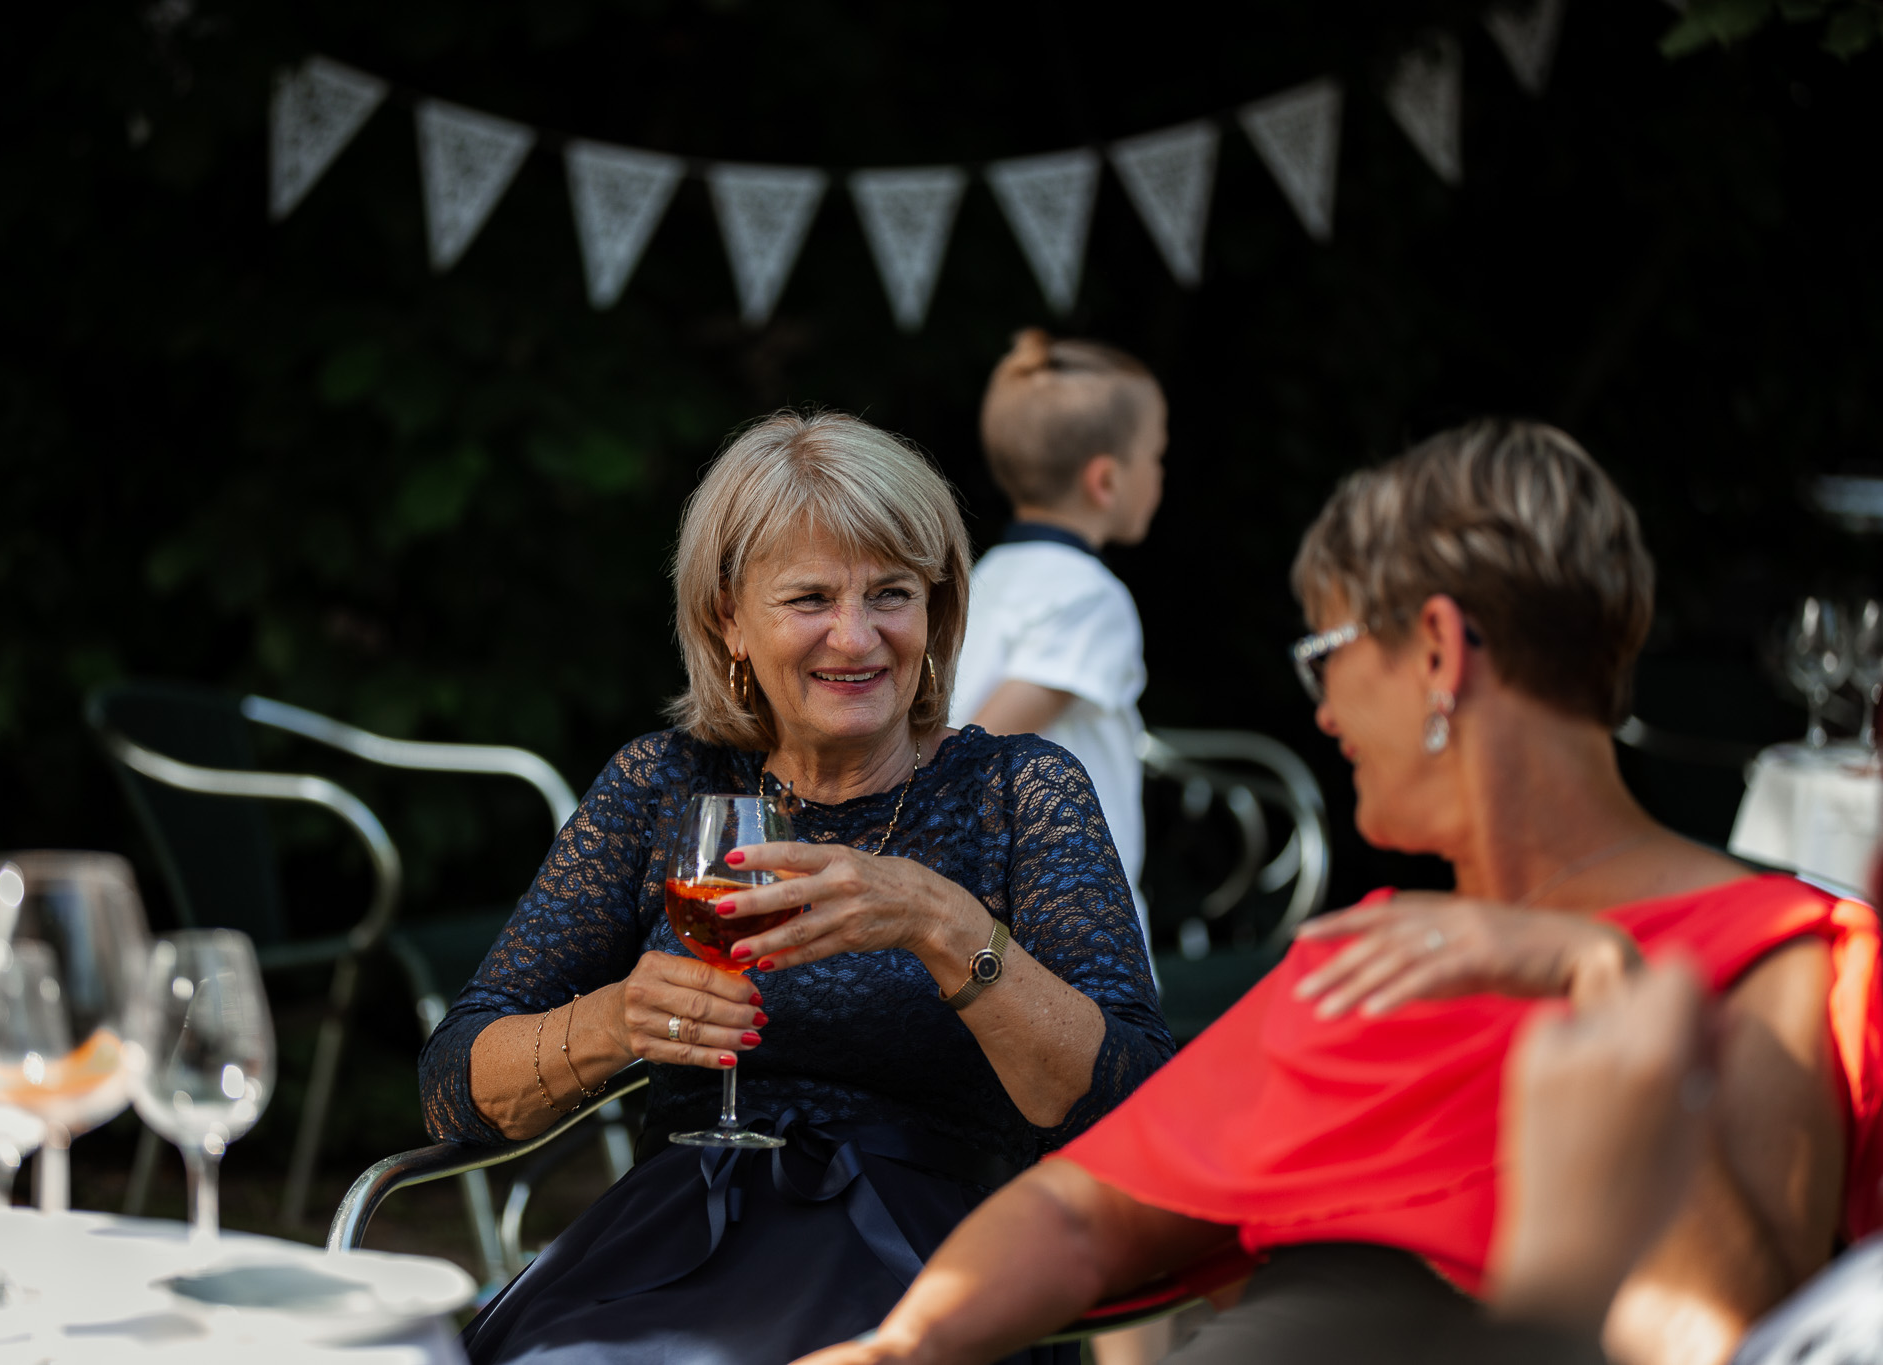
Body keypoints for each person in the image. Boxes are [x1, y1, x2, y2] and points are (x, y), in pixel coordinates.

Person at [791, 419, 1883, 1365]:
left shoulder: (1775, 947)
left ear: (1439, 653)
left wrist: (1600, 985)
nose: (1318, 711)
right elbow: (1081, 1209)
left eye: (1324, 653)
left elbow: (1732, 1331)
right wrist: (907, 1341)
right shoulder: (1369, 951)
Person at [420, 410, 1173, 1365]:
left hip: (929, 1266)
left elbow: (1138, 1107)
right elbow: (452, 1084)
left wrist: (945, 924)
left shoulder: (1017, 791)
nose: (855, 637)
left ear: (937, 613)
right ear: (728, 617)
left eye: (891, 593)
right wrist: (618, 1021)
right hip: (672, 1242)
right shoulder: (665, 784)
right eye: (810, 596)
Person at [950, 330, 1166, 947]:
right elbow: (983, 742)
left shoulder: (982, 579)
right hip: (1077, 915)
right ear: (1106, 481)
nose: (1159, 472)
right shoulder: (1091, 597)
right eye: (1155, 455)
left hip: (997, 908)